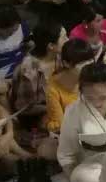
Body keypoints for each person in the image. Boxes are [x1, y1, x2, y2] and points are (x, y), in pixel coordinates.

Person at [9, 21, 67, 153]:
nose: (68, 40)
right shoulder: (29, 70)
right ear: (51, 46)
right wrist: (55, 106)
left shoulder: (60, 58)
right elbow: (24, 108)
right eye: (64, 37)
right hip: (36, 119)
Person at [45, 39, 95, 135]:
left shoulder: (92, 76)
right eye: (82, 65)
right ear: (66, 63)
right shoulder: (53, 89)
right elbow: (61, 125)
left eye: (90, 63)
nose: (89, 69)